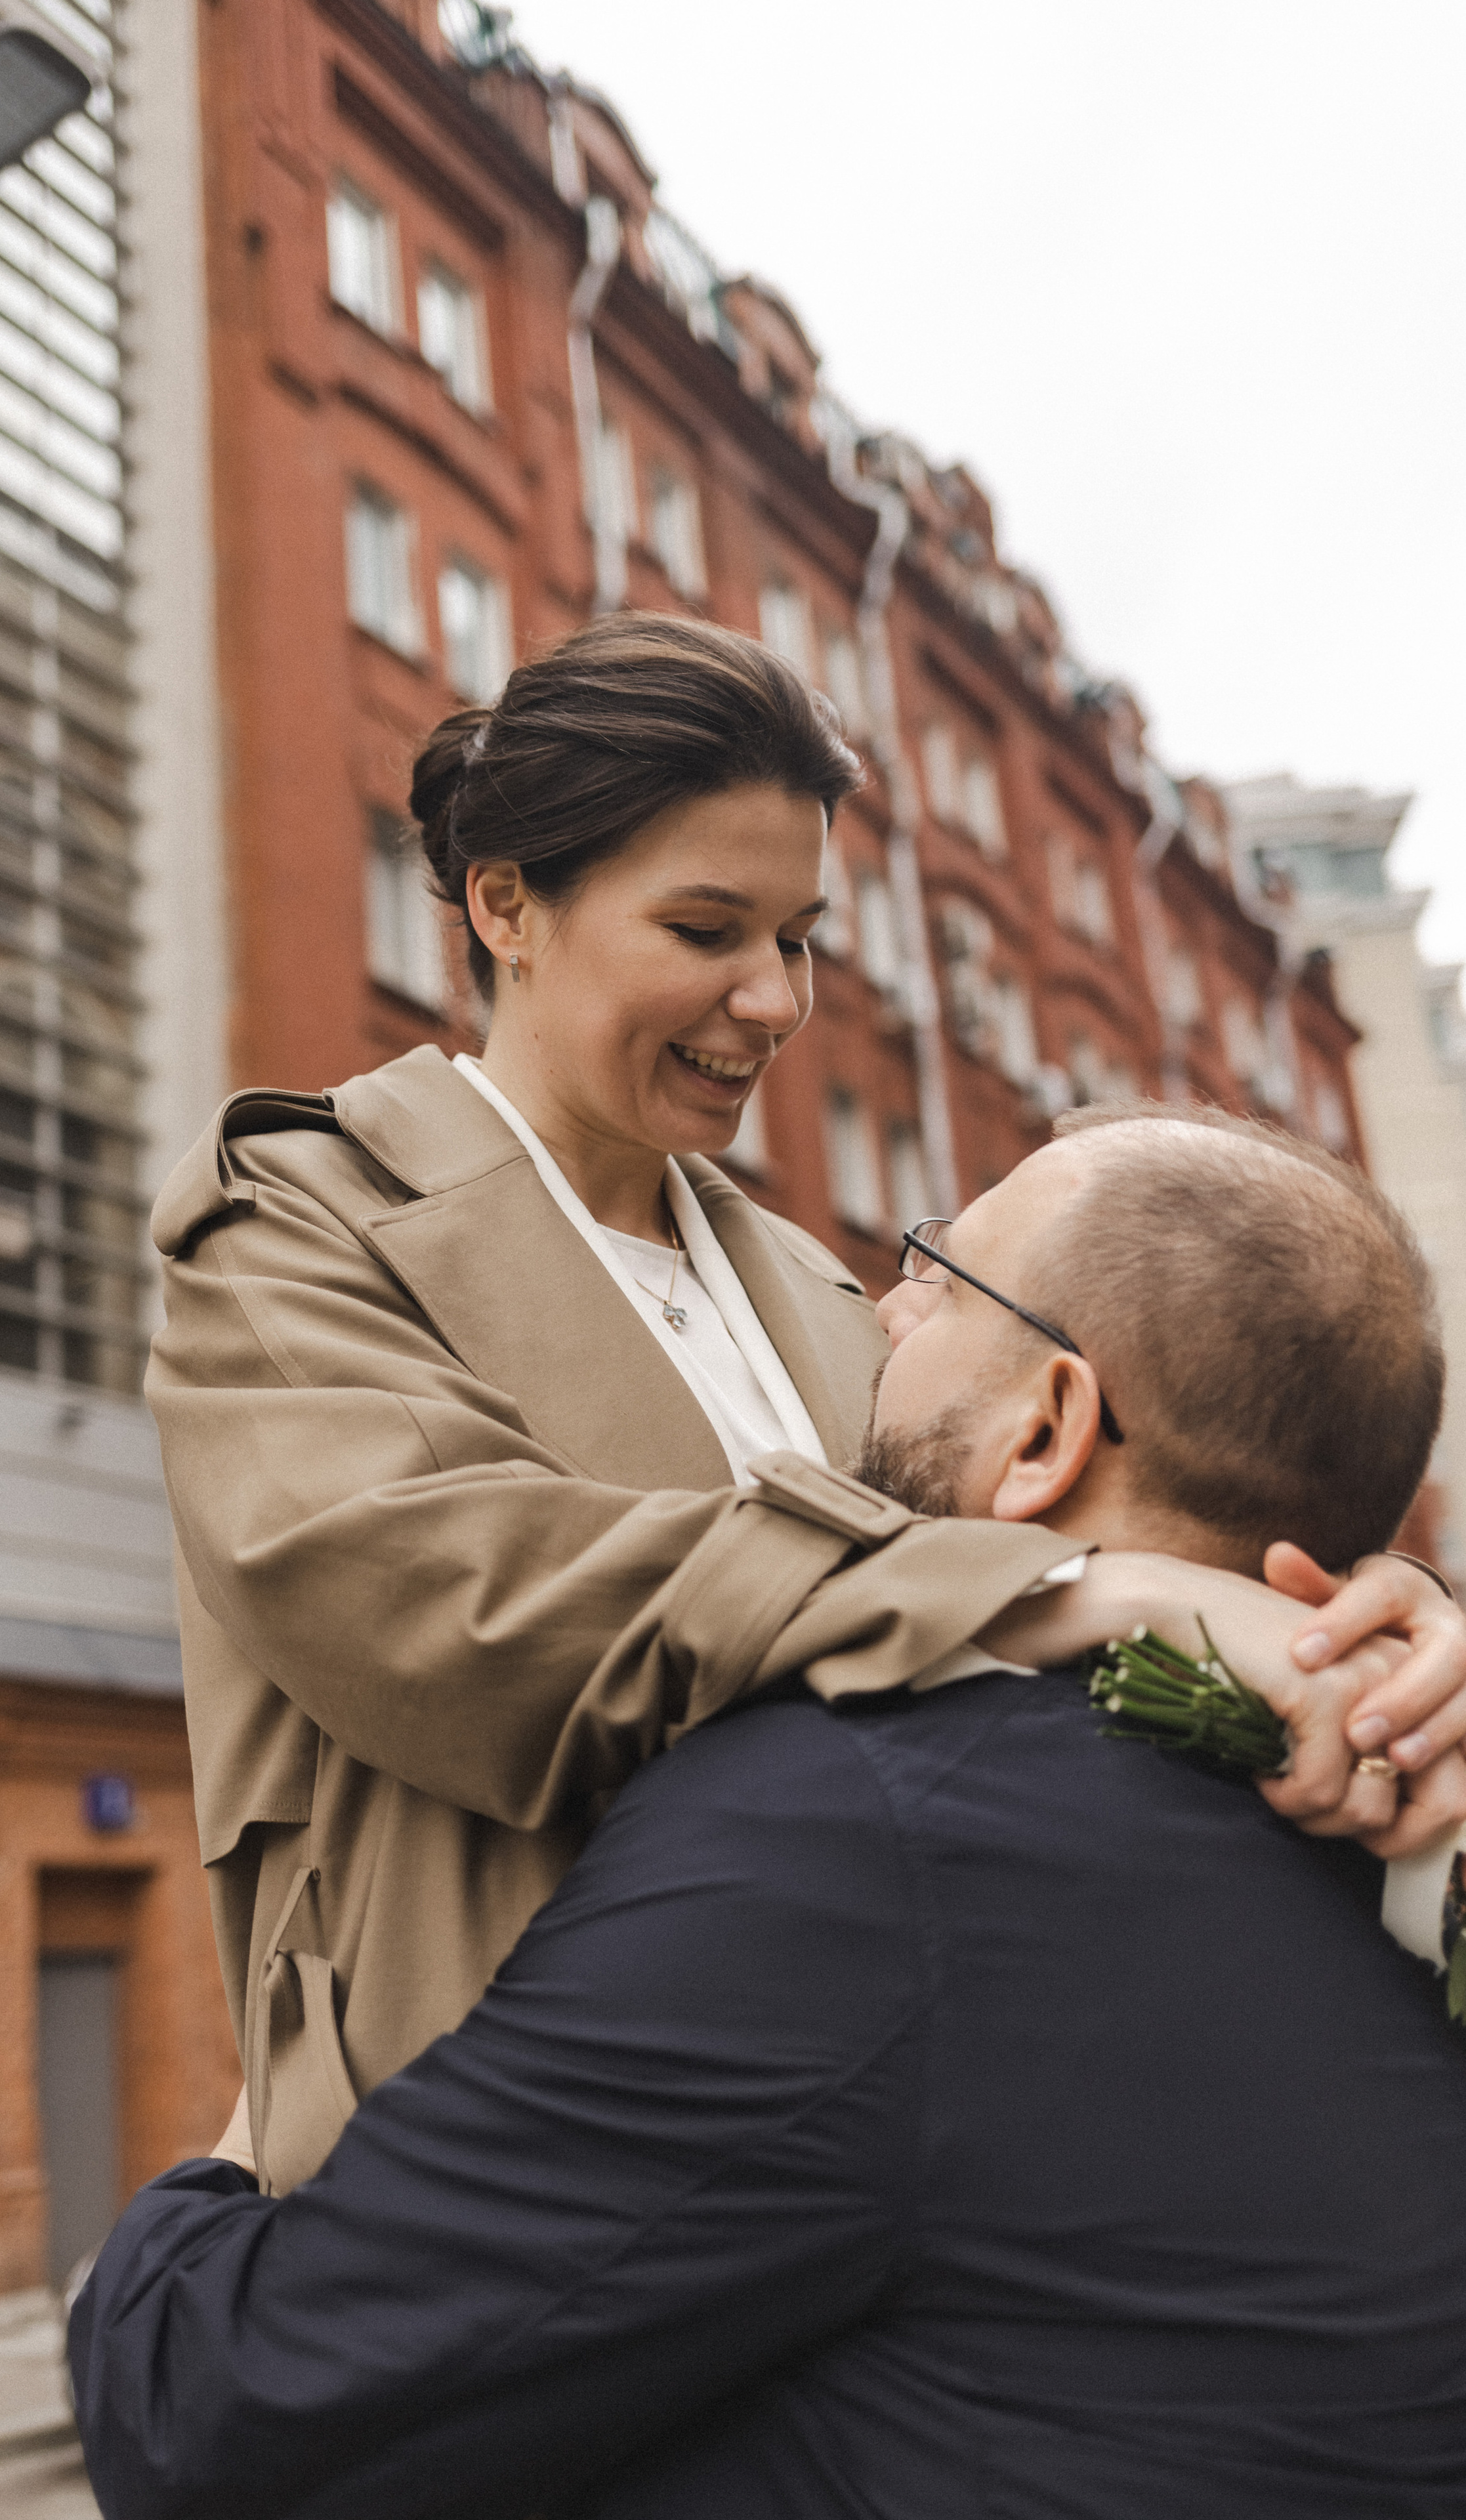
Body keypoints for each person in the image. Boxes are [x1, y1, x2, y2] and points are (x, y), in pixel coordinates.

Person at [148, 614, 1466, 2196]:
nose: (774, 1001)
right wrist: (1097, 1591)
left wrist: (1352, 1631)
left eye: (798, 939)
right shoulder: (297, 1220)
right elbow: (466, 1613)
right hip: (487, 2204)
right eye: (708, 930)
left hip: (876, 2163)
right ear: (505, 902)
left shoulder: (827, 1294)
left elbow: (1072, 1564)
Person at [74, 1107, 1466, 2520]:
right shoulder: (1407, 1833)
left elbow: (222, 2419)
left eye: (936, 1275)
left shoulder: (858, 1835)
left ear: (1044, 1428)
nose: (880, 1309)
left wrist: (239, 2147)